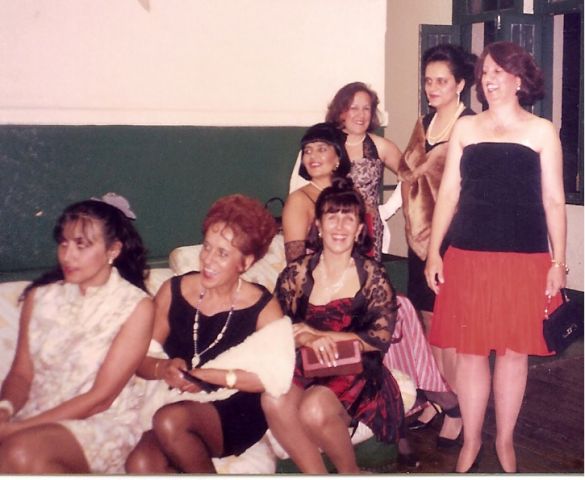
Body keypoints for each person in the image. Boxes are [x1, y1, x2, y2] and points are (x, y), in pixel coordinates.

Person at [425, 41, 566, 473]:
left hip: (524, 258)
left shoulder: (542, 131)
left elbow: (553, 200)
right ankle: (471, 439)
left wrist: (559, 262)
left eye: (498, 72)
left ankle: (504, 440)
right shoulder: (466, 128)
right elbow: (448, 194)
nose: (488, 80)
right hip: (468, 254)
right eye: (485, 72)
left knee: (512, 353)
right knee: (470, 353)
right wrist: (433, 252)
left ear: (519, 80)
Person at [125, 194, 294, 474]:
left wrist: (211, 376)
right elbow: (140, 360)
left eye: (222, 253)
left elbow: (275, 378)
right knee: (140, 464)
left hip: (236, 407)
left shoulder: (263, 306)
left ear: (245, 262)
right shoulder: (172, 291)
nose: (208, 260)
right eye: (207, 247)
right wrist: (162, 368)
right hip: (178, 403)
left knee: (169, 420)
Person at [0, 195, 154, 473]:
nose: (67, 255)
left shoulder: (135, 307)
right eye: (64, 243)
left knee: (19, 451)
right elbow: (21, 374)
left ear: (113, 250)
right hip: (34, 414)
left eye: (81, 245)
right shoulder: (40, 297)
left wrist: (17, 430)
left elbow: (100, 398)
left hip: (98, 424)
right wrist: (5, 410)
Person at [264, 178, 405, 473]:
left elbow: (378, 339)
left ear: (359, 229)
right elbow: (275, 329)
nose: (339, 226)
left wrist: (319, 335)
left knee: (313, 408)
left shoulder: (372, 275)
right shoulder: (296, 273)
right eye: (332, 217)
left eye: (348, 218)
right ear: (318, 225)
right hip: (306, 363)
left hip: (355, 369)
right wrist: (305, 339)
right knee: (272, 400)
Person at [397, 43, 477, 446]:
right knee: (427, 323)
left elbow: (472, 191)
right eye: (429, 81)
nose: (432, 88)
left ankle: (460, 408)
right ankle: (439, 397)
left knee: (451, 329)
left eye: (441, 81)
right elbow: (407, 174)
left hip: (454, 241)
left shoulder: (470, 125)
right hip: (418, 241)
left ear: (460, 84)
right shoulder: (425, 122)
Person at [290, 82, 402, 261]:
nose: (361, 115)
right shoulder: (322, 144)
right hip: (326, 228)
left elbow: (411, 178)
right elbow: (298, 187)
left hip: (367, 231)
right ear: (341, 111)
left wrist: (386, 210)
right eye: (354, 108)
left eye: (366, 108)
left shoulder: (381, 146)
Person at [283, 122, 351, 264]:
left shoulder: (350, 193)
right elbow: (295, 263)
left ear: (338, 157)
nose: (313, 156)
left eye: (321, 149)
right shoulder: (299, 200)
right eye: (307, 151)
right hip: (313, 275)